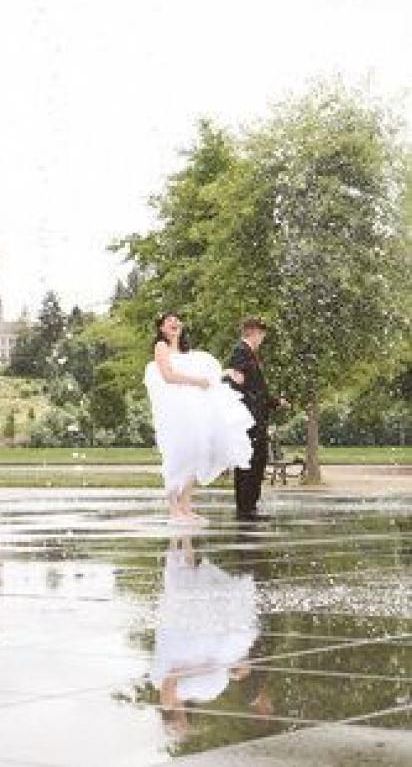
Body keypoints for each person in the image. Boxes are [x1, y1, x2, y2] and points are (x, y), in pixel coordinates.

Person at [144, 313, 254, 524]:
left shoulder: (189, 354)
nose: (175, 323)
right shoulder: (161, 347)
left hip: (192, 411)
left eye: (177, 321)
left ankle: (185, 504)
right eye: (169, 321)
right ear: (161, 328)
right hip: (175, 412)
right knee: (178, 453)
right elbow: (168, 376)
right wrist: (196, 382)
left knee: (198, 452)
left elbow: (207, 378)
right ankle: (173, 507)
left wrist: (227, 372)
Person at [151, 537, 259, 740]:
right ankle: (182, 536)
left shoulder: (167, 703)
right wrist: (224, 668)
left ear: (171, 721)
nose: (183, 725)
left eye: (178, 727)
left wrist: (208, 668)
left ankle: (180, 534)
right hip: (188, 645)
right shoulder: (188, 697)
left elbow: (171, 677)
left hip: (183, 643)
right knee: (188, 580)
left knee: (182, 584)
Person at [226, 317, 284, 521]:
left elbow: (256, 388)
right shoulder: (241, 351)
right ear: (254, 333)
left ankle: (250, 505)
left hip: (256, 415)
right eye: (261, 335)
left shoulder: (249, 354)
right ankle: (246, 507)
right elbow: (236, 382)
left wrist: (274, 402)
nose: (262, 339)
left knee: (257, 459)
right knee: (250, 460)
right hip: (248, 418)